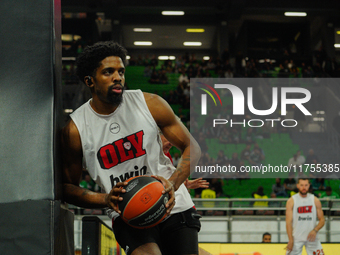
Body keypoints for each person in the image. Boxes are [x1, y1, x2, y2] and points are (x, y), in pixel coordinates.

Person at [61, 41, 202, 255]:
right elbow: (68, 188)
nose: (118, 77)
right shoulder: (76, 129)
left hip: (173, 204)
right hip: (127, 211)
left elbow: (192, 147)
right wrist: (105, 199)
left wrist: (172, 184)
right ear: (90, 81)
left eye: (121, 71)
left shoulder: (150, 103)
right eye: (108, 72)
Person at [285, 179, 325, 255]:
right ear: (297, 186)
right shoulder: (291, 201)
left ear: (309, 185)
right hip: (296, 238)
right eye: (302, 185)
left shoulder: (315, 200)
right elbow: (288, 222)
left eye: (306, 185)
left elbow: (322, 220)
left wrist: (315, 230)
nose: (304, 187)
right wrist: (290, 239)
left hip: (312, 238)